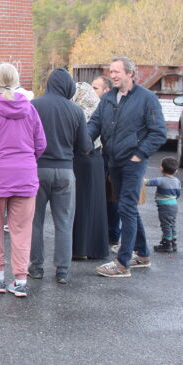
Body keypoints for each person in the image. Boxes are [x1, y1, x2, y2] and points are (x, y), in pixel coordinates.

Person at [0, 63, 46, 298]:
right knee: (21, 231)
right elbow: (40, 143)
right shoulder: (31, 109)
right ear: (16, 80)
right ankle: (21, 280)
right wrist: (27, 161)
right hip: (24, 175)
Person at [89, 56, 166, 278]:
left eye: (116, 72)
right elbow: (95, 123)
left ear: (130, 74)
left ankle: (123, 264)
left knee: (126, 207)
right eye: (110, 71)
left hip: (132, 163)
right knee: (127, 207)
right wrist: (84, 139)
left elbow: (158, 132)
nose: (112, 75)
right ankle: (142, 254)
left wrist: (139, 155)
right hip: (113, 161)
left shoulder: (146, 99)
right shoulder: (108, 98)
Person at [28, 68, 92, 284]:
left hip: (37, 170)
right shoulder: (75, 111)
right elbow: (85, 147)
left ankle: (36, 267)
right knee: (64, 222)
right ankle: (62, 270)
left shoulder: (34, 106)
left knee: (34, 221)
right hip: (65, 171)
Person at [70, 82, 109, 261]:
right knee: (95, 205)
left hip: (82, 159)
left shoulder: (78, 112)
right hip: (95, 158)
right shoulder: (98, 110)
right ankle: (95, 248)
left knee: (81, 205)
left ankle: (79, 247)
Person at [91, 74, 118, 246]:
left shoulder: (114, 105)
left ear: (106, 90)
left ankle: (113, 235)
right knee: (102, 197)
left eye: (96, 88)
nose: (92, 91)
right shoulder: (99, 106)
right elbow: (94, 125)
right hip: (102, 155)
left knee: (113, 199)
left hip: (115, 158)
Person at [145, 156, 182, 253]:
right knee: (172, 224)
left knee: (165, 225)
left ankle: (167, 244)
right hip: (174, 205)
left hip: (165, 207)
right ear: (176, 171)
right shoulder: (177, 181)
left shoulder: (160, 180)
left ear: (161, 168)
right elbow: (178, 193)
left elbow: (147, 182)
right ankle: (173, 243)